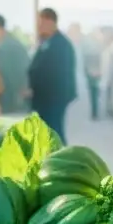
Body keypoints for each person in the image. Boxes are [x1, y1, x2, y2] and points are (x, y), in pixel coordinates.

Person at [28, 8, 76, 142]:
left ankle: (61, 158)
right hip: (45, 97)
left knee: (54, 130)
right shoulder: (46, 41)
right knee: (48, 132)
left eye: (41, 23)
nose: (38, 27)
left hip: (53, 98)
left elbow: (55, 74)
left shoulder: (61, 44)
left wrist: (35, 87)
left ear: (50, 22)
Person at [0, 14, 30, 115]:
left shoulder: (13, 45)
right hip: (2, 92)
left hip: (13, 92)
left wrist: (24, 87)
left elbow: (24, 67)